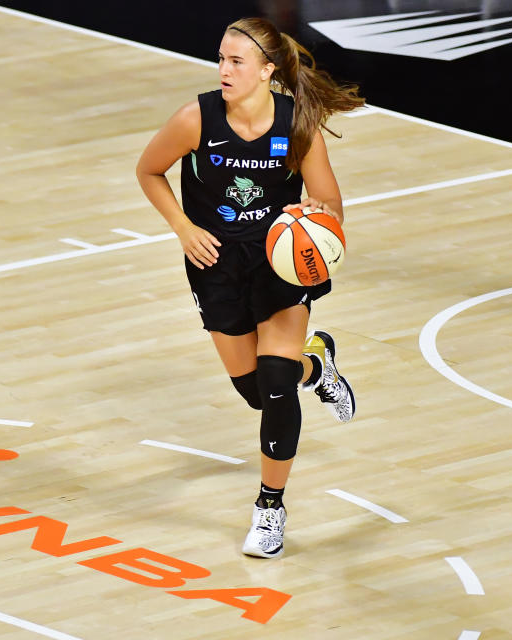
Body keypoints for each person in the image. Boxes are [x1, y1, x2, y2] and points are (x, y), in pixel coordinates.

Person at [135, 17, 363, 558]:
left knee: (277, 385)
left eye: (236, 61)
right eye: (220, 59)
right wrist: (184, 229)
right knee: (256, 394)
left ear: (267, 70)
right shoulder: (196, 117)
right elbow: (148, 171)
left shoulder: (298, 123)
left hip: (280, 264)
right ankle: (319, 362)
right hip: (215, 262)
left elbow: (331, 203)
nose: (223, 70)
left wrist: (314, 213)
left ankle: (269, 508)